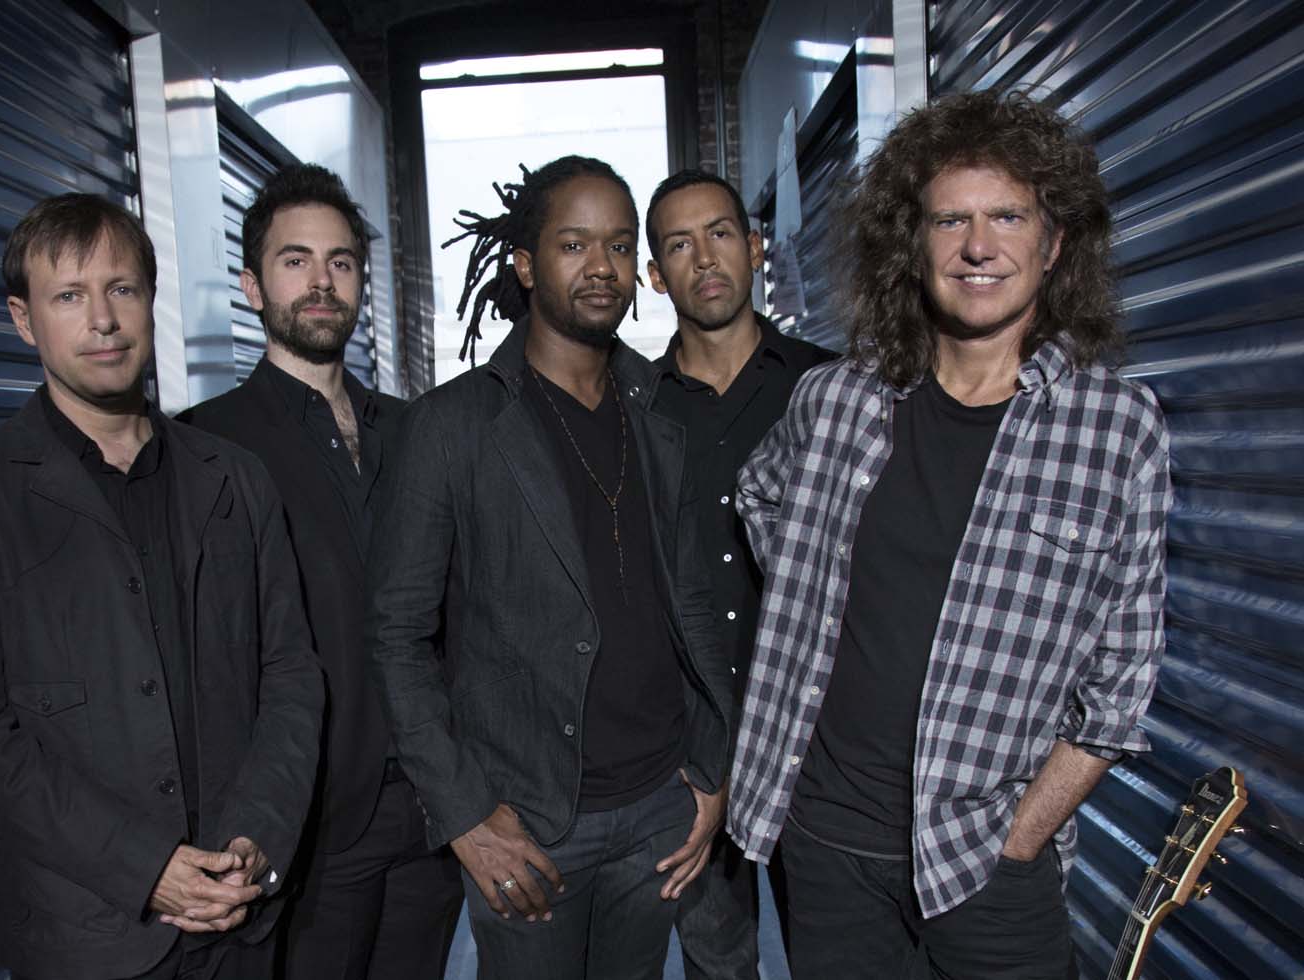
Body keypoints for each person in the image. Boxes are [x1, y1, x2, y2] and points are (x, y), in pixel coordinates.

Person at [727, 90, 1171, 979]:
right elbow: (760, 495)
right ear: (913, 242)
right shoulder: (836, 400)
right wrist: (820, 595)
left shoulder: (1118, 428)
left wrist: (1021, 836)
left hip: (986, 859)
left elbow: (1120, 686)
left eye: (1008, 216)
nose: (978, 246)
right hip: (827, 845)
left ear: (1053, 243)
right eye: (950, 220)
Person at [0, 194, 325, 980]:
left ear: (150, 299)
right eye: (69, 295)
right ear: (24, 319)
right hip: (80, 935)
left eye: (121, 289)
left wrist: (258, 835)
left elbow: (291, 671)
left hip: (240, 919)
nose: (103, 320)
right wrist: (144, 865)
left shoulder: (234, 478)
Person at [368, 155, 732, 980]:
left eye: (618, 246)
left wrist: (714, 769)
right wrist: (466, 816)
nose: (601, 267)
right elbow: (395, 637)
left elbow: (692, 605)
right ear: (527, 265)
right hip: (528, 818)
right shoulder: (451, 426)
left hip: (659, 804)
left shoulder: (658, 414)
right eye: (574, 245)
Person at [181, 163, 462, 980]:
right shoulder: (204, 446)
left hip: (429, 812)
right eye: (295, 260)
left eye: (340, 262)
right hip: (307, 825)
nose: (321, 281)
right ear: (251, 285)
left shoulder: (416, 430)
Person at [645, 169, 834, 980]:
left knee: (839, 960)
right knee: (717, 966)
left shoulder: (833, 390)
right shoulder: (635, 409)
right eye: (678, 245)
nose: (704, 258)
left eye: (720, 233)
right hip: (695, 749)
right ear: (656, 275)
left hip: (822, 743)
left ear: (755, 248)